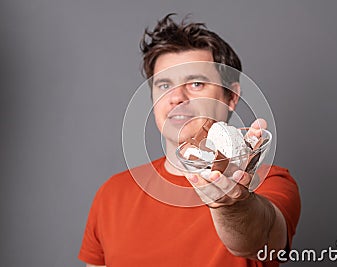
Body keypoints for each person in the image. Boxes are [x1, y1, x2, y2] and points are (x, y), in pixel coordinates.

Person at [78, 14, 301, 267]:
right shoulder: (112, 194)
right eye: (164, 85)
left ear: (231, 96)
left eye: (196, 83)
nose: (176, 97)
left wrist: (229, 205)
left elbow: (256, 241)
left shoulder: (272, 182)